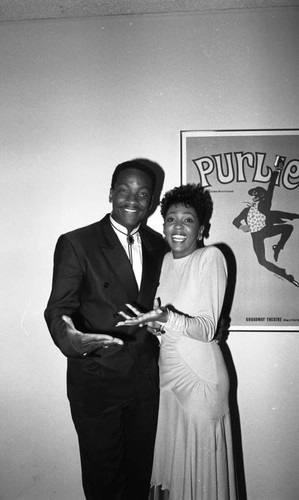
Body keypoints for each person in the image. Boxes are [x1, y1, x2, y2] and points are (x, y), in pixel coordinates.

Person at [44, 160, 166, 500]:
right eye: (124, 190)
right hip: (96, 378)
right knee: (104, 483)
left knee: (140, 475)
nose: (132, 200)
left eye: (142, 193)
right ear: (111, 194)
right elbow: (58, 308)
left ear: (152, 201)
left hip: (145, 380)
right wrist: (71, 339)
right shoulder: (77, 243)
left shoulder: (161, 245)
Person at [117, 184, 237, 500]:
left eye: (187, 220)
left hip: (199, 380)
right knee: (173, 477)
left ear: (201, 229)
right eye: (171, 219)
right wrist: (156, 325)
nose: (178, 227)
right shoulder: (166, 261)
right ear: (164, 225)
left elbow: (207, 328)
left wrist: (167, 318)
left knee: (199, 481)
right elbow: (172, 323)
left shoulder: (210, 257)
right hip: (167, 378)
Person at [232, 157, 299, 287]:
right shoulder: (246, 210)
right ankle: (287, 276)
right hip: (256, 236)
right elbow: (235, 221)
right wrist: (242, 226)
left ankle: (278, 247)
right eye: (252, 194)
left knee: (288, 228)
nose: (253, 195)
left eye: (256, 193)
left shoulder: (265, 203)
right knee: (262, 261)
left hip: (265, 230)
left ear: (261, 195)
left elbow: (271, 186)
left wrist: (277, 170)